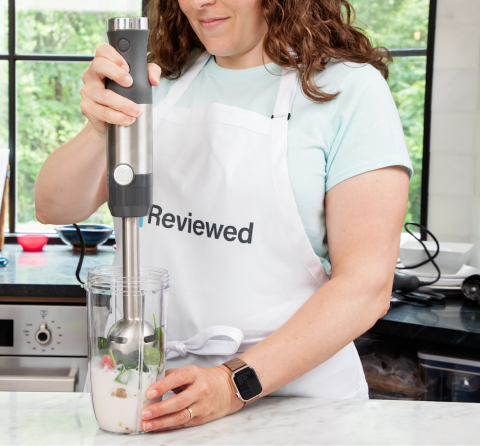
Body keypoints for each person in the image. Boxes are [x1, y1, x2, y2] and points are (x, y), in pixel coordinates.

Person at [35, 0, 411, 432]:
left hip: (296, 409)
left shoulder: (349, 90)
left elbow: (366, 286)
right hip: (153, 395)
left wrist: (232, 383)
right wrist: (101, 125)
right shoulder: (158, 82)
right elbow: (54, 206)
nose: (200, 2)